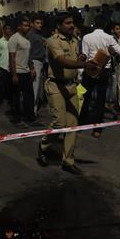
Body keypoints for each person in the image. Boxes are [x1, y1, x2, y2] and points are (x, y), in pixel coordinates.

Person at [37, 13, 93, 174]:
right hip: (55, 86)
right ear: (59, 26)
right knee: (60, 124)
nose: (71, 25)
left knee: (73, 125)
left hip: (71, 86)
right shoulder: (53, 41)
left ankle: (68, 161)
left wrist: (81, 57)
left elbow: (74, 57)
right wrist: (83, 64)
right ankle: (43, 145)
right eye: (68, 23)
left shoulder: (74, 40)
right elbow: (62, 61)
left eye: (72, 23)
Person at [81, 15, 120, 137]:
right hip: (104, 71)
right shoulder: (109, 38)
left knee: (85, 96)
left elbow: (84, 55)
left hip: (90, 69)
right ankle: (97, 129)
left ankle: (81, 123)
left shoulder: (86, 37)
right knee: (100, 99)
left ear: (94, 24)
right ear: (106, 25)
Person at [9, 16, 38, 126]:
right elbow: (12, 57)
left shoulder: (27, 39)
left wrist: (31, 68)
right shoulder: (14, 38)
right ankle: (17, 119)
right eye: (25, 25)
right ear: (19, 27)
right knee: (16, 97)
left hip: (26, 72)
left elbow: (28, 56)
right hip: (18, 72)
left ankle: (30, 117)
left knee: (29, 96)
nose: (28, 27)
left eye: (28, 25)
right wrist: (14, 74)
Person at [28, 15, 48, 114]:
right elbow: (28, 52)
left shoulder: (38, 35)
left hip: (40, 63)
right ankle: (32, 111)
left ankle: (33, 110)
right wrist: (31, 67)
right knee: (34, 88)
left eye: (41, 23)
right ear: (32, 24)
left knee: (37, 88)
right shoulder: (31, 35)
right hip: (35, 62)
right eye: (37, 23)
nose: (40, 25)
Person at [0, 24, 13, 107]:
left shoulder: (13, 41)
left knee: (10, 86)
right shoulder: (0, 42)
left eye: (9, 29)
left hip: (12, 67)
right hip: (3, 67)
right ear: (4, 30)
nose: (8, 30)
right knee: (1, 86)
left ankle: (10, 102)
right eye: (7, 29)